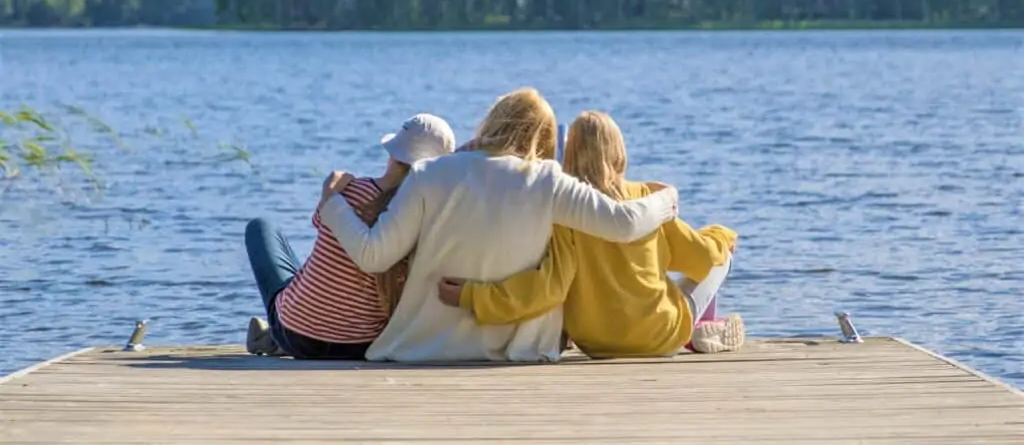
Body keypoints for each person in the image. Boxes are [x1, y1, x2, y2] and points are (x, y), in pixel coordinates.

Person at [318, 87, 680, 363]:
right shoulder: (547, 181)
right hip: (518, 353)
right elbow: (625, 224)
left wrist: (333, 204)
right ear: (544, 139)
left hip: (423, 348)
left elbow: (372, 255)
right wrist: (666, 200)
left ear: (491, 122)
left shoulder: (430, 173)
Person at [438, 111, 743, 357]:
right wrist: (723, 235)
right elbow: (701, 260)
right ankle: (699, 328)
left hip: (594, 340)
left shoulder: (566, 212)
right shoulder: (646, 198)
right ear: (619, 151)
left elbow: (548, 287)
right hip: (659, 335)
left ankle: (699, 329)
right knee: (719, 257)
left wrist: (474, 295)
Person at [244, 113, 456, 360]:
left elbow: (319, 222)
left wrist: (335, 191)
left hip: (296, 333)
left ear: (392, 155)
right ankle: (273, 335)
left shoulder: (350, 192)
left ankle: (277, 333)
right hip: (361, 345)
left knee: (261, 228)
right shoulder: (427, 217)